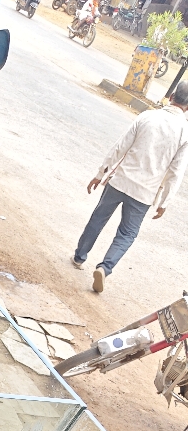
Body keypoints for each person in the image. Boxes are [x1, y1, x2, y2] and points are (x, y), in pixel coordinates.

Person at [71, 83, 188, 294]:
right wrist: (165, 202)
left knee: (98, 219)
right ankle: (105, 268)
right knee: (127, 234)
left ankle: (79, 257)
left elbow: (120, 146)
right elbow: (176, 171)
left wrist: (100, 173)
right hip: (145, 193)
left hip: (120, 180)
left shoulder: (147, 116)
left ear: (171, 96)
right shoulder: (184, 132)